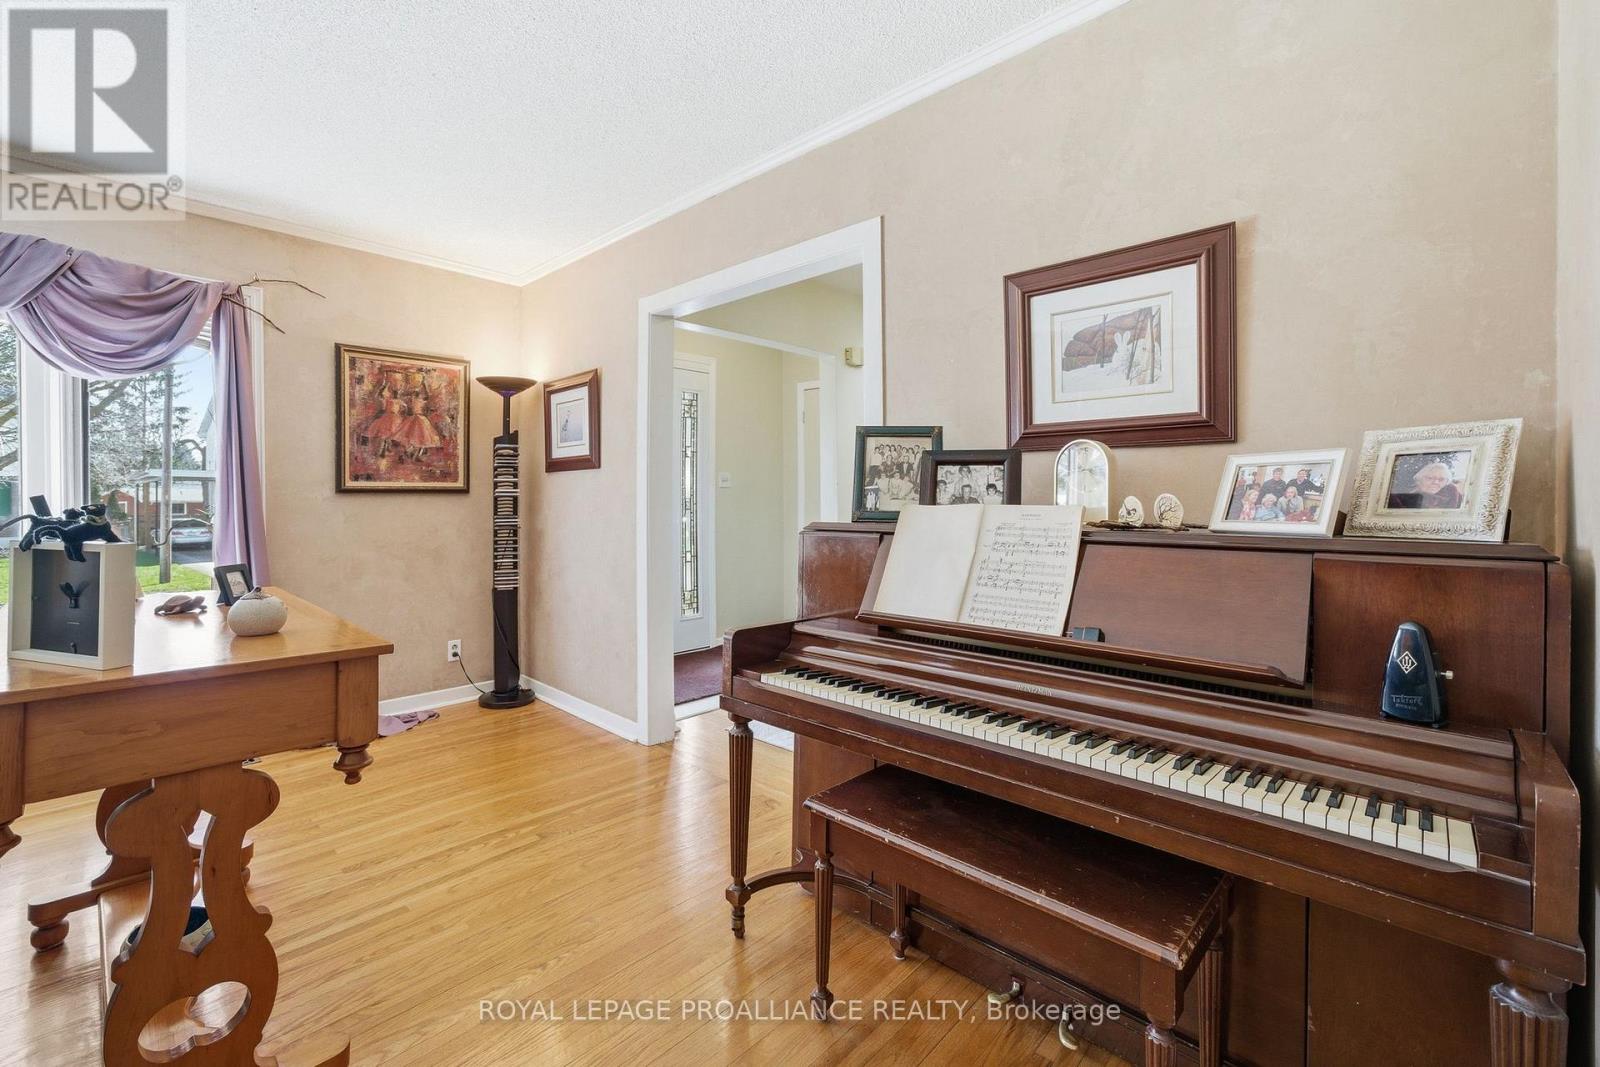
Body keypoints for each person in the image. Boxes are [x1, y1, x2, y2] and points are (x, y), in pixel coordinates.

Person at [1387, 459, 1464, 509]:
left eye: (1441, 479)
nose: (1435, 482)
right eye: (1430, 478)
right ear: (1418, 480)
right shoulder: (1400, 499)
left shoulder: (1454, 498)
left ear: (1446, 482)